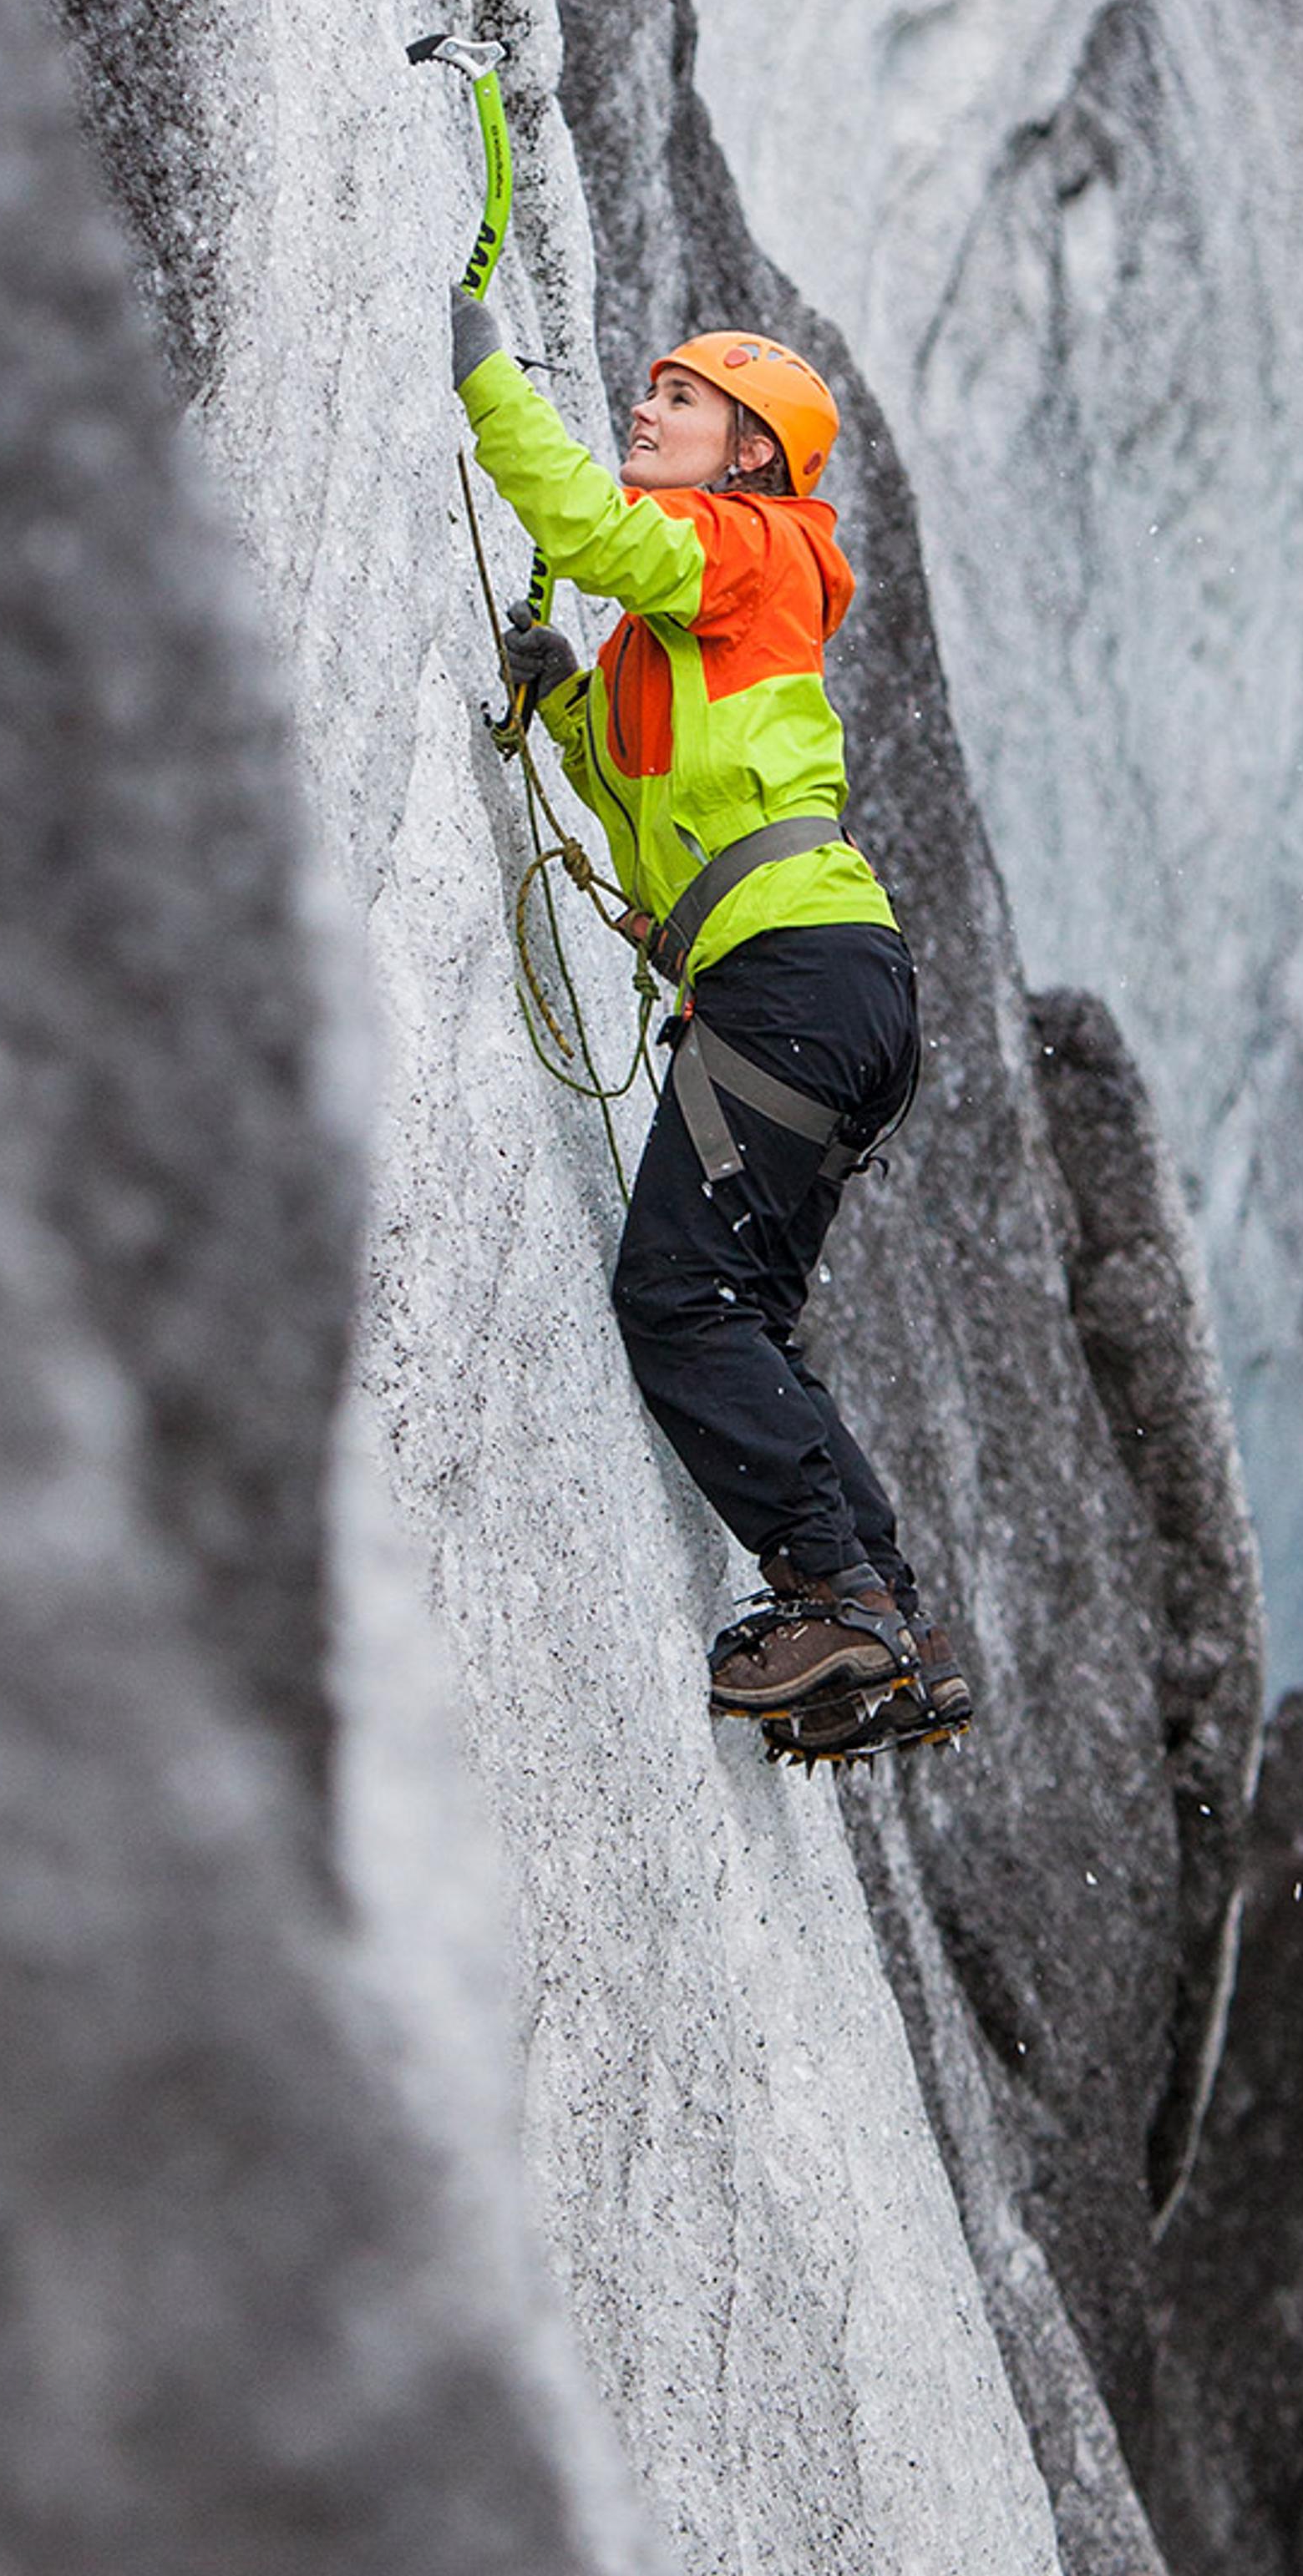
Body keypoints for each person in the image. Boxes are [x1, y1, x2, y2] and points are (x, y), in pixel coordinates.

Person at [450, 299, 973, 1755]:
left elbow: (607, 534)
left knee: (680, 1298)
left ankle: (835, 1593)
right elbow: (641, 811)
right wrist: (562, 707)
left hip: (791, 980)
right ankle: (900, 1628)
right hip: (822, 983)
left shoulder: (757, 546)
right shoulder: (688, 627)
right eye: (653, 389)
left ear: (749, 454)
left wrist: (482, 377)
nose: (645, 408)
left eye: (678, 400)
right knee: (743, 1307)